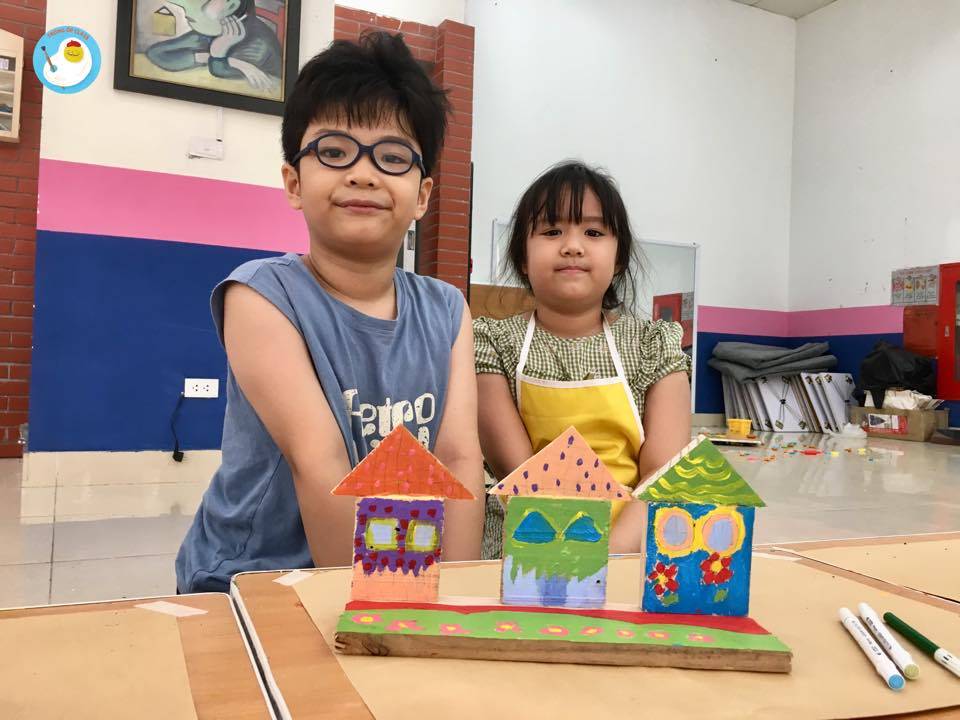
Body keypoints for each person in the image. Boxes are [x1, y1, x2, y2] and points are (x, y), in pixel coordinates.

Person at [176, 32, 484, 593]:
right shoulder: (260, 296)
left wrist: (452, 596)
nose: (363, 173)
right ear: (294, 182)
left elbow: (459, 459)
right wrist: (376, 611)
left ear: (422, 196)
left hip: (405, 573)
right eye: (335, 152)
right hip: (254, 578)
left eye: (393, 157)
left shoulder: (447, 309)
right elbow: (320, 465)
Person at [474, 161, 691, 557]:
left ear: (619, 257)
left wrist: (610, 556)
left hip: (629, 547)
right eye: (551, 231)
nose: (572, 245)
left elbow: (663, 478)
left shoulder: (653, 346)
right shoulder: (492, 344)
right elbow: (518, 471)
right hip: (526, 544)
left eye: (593, 232)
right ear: (522, 257)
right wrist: (571, 561)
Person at [147, 0, 282, 93]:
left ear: (231, 5)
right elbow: (155, 53)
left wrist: (218, 54)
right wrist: (212, 57)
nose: (182, 5)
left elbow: (219, 70)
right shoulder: (208, 33)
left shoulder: (260, 43)